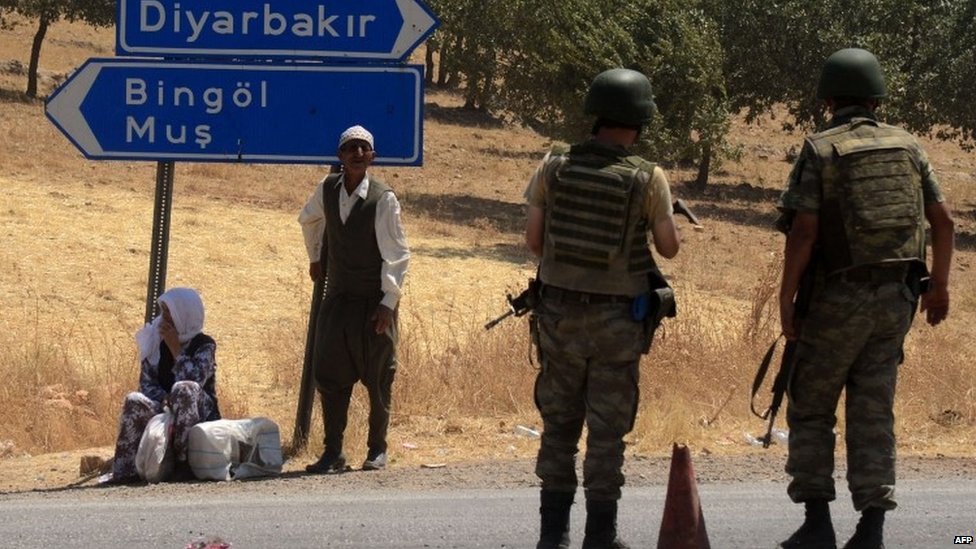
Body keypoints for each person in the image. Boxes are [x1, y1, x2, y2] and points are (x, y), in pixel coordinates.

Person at [775, 48, 955, 549]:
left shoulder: (821, 148)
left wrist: (786, 298)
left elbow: (804, 231)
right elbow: (943, 221)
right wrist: (939, 286)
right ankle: (872, 528)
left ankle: (817, 524)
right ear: (877, 97)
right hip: (896, 300)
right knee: (873, 411)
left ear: (829, 98)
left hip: (838, 299)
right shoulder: (909, 146)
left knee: (811, 407)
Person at [524, 68, 680, 549]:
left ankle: (553, 537)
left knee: (559, 427)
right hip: (617, 323)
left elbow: (534, 244)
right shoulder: (647, 177)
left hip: (558, 317)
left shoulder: (553, 165)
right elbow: (669, 250)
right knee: (607, 432)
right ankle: (600, 537)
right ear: (641, 120)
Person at [298, 125, 410, 474]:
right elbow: (309, 219)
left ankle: (377, 450)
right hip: (338, 300)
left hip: (373, 303)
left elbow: (398, 254)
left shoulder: (383, 198)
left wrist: (388, 303)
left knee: (378, 379)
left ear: (372, 156)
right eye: (351, 148)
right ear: (340, 156)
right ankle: (333, 452)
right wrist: (316, 256)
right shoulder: (327, 189)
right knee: (330, 376)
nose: (358, 154)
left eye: (364, 148)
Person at [108, 287, 220, 483]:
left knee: (184, 388)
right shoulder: (156, 343)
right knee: (134, 400)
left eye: (170, 313)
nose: (165, 318)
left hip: (198, 411)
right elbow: (147, 383)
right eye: (164, 312)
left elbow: (196, 379)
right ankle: (125, 471)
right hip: (165, 407)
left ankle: (184, 465)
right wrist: (164, 400)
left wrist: (176, 349)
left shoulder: (204, 345)